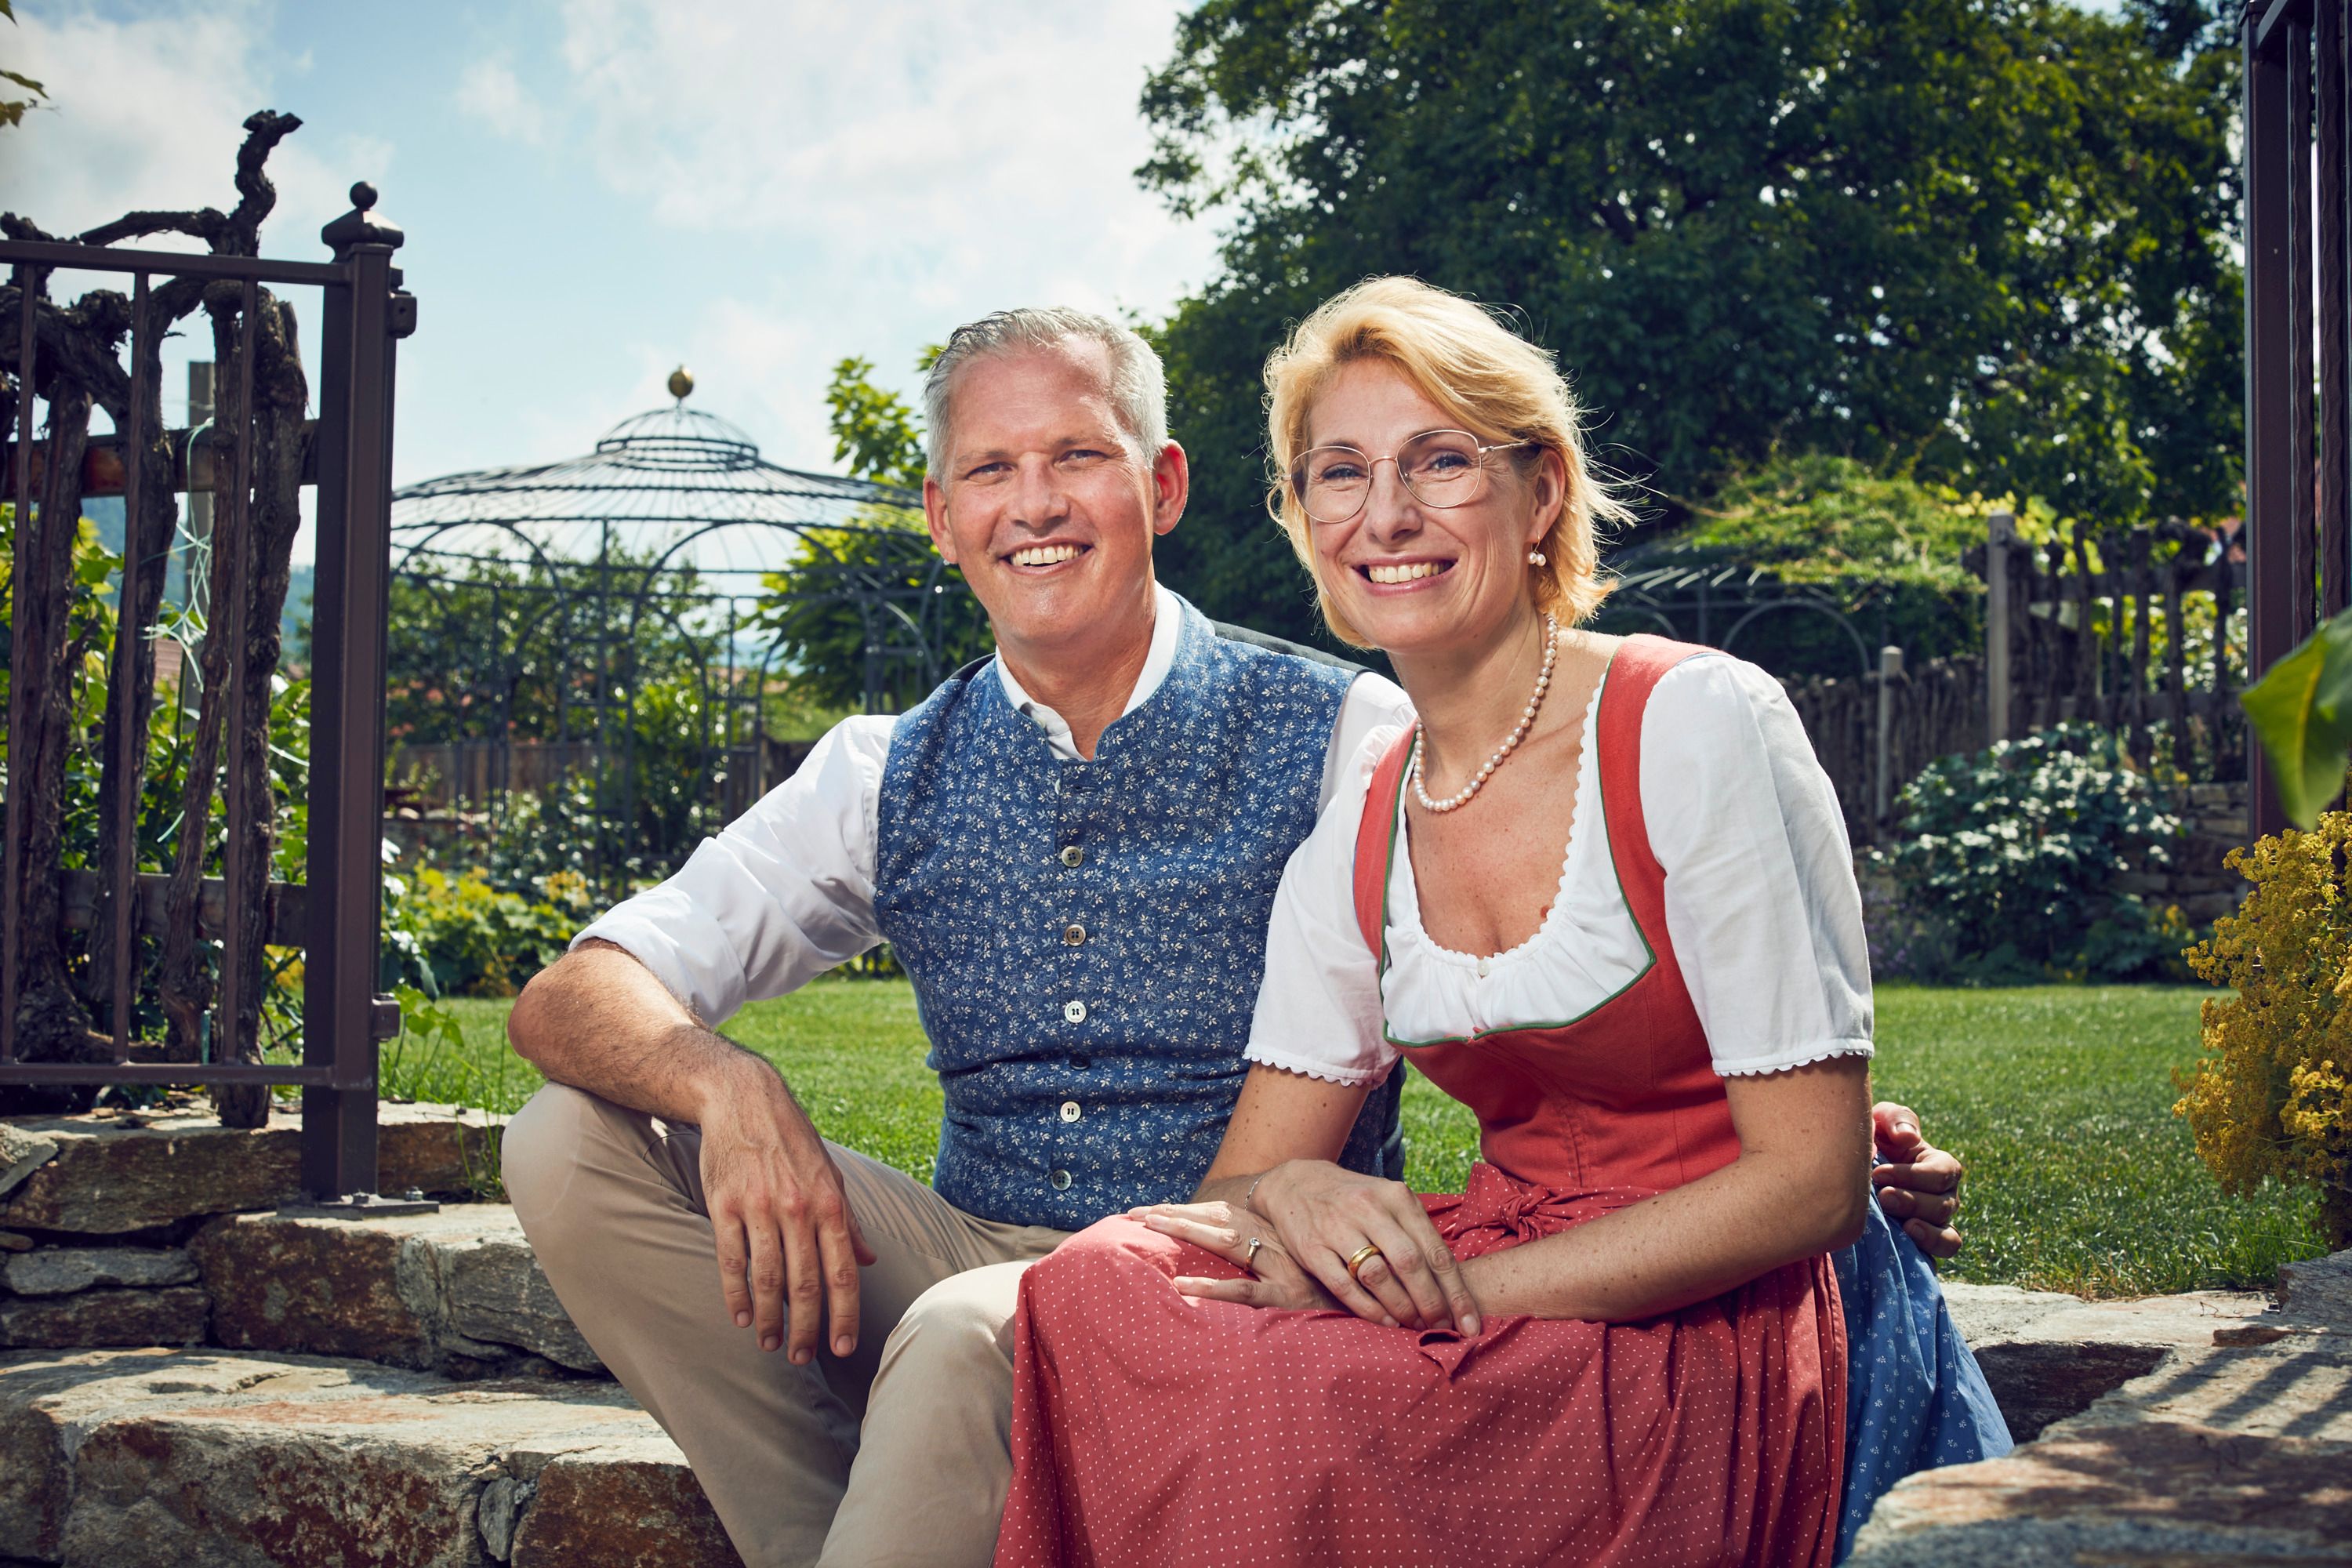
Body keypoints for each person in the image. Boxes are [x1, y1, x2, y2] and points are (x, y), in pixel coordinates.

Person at [500, 306, 1971, 1568]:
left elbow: (1653, 1046)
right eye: (990, 470)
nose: (1036, 503)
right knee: (568, 1140)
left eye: (1076, 456)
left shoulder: (1363, 731)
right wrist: (725, 1084)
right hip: (1035, 1241)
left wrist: (1813, 1142)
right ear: (941, 517)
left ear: (1165, 484)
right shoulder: (886, 766)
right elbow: (573, 995)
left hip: (1207, 1258)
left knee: (973, 1333)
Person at [991, 279, 2010, 1568]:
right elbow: (1242, 1188)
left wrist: (1443, 1304)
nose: (1389, 515)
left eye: (1443, 462)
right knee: (1092, 1283)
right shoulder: (1366, 811)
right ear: (1304, 521)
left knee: (1292, 1394)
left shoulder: (1692, 725)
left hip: (1699, 1309)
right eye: (1341, 473)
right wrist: (1300, 1190)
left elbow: (1809, 1186)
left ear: (1543, 497)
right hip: (1503, 1250)